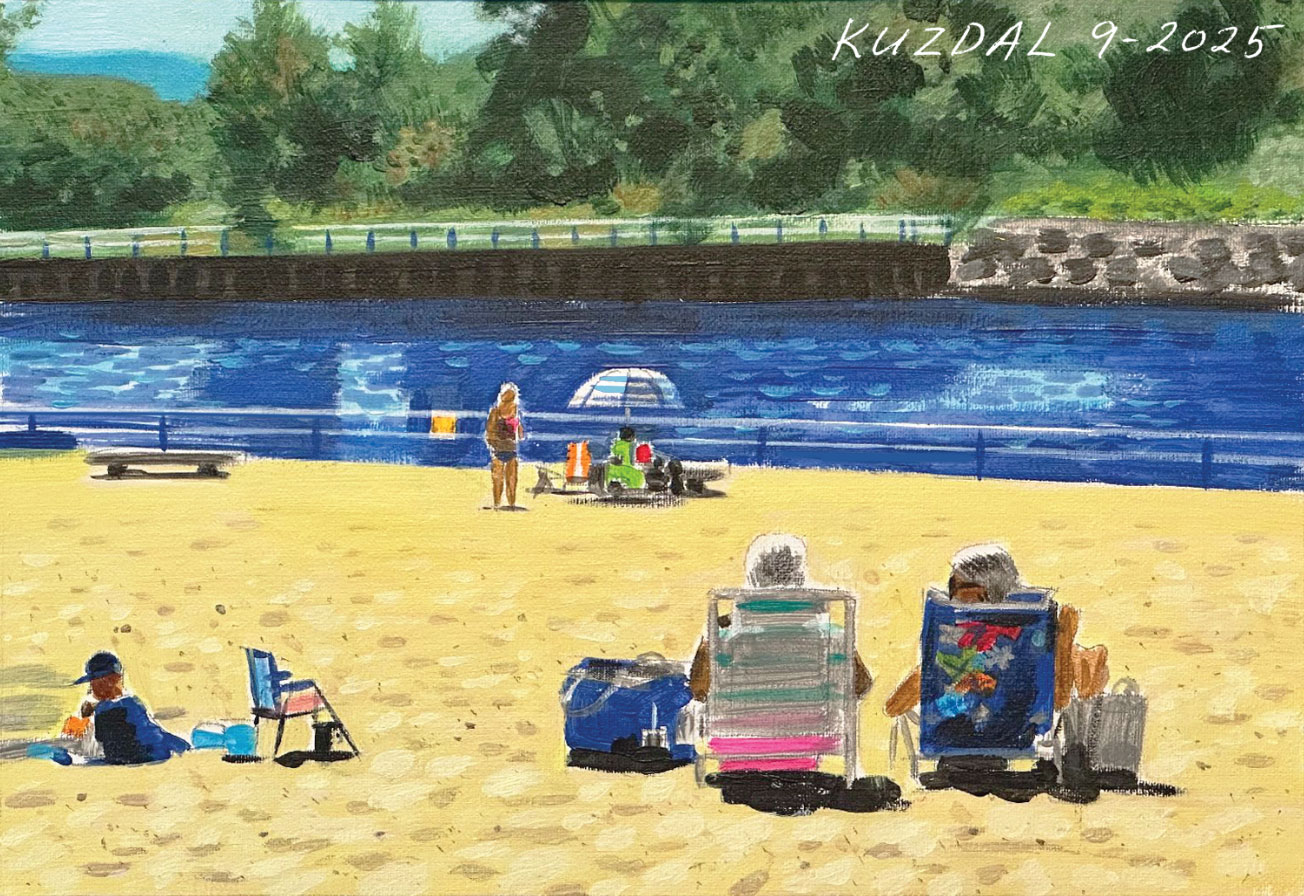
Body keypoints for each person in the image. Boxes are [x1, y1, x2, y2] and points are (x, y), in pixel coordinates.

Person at [884, 543, 1109, 718]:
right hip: (1024, 743)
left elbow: (895, 707)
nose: (952, 594)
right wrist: (1064, 640)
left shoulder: (954, 648)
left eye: (959, 587)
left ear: (989, 591)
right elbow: (893, 706)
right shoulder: (1041, 644)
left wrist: (1064, 643)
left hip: (960, 746)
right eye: (951, 586)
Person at [690, 535, 872, 700]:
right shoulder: (834, 638)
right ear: (801, 575)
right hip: (816, 727)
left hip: (740, 727)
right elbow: (861, 686)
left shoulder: (721, 640)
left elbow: (698, 690)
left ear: (752, 575)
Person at [69, 651, 190, 765]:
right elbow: (154, 735)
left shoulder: (105, 709)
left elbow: (100, 738)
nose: (92, 688)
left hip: (128, 757)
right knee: (172, 741)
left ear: (112, 680)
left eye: (94, 683)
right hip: (149, 754)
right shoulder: (130, 704)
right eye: (92, 684)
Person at [485, 382, 525, 508]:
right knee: (498, 480)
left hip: (511, 449)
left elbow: (520, 431)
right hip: (498, 449)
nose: (509, 398)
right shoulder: (495, 411)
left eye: (511, 396)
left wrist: (517, 433)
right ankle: (497, 504)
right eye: (507, 395)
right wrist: (494, 443)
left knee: (511, 480)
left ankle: (511, 504)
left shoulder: (515, 410)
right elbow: (489, 431)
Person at [605, 425, 646, 490]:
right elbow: (632, 462)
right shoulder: (631, 446)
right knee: (639, 479)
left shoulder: (616, 445)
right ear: (631, 437)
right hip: (626, 469)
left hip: (613, 470)